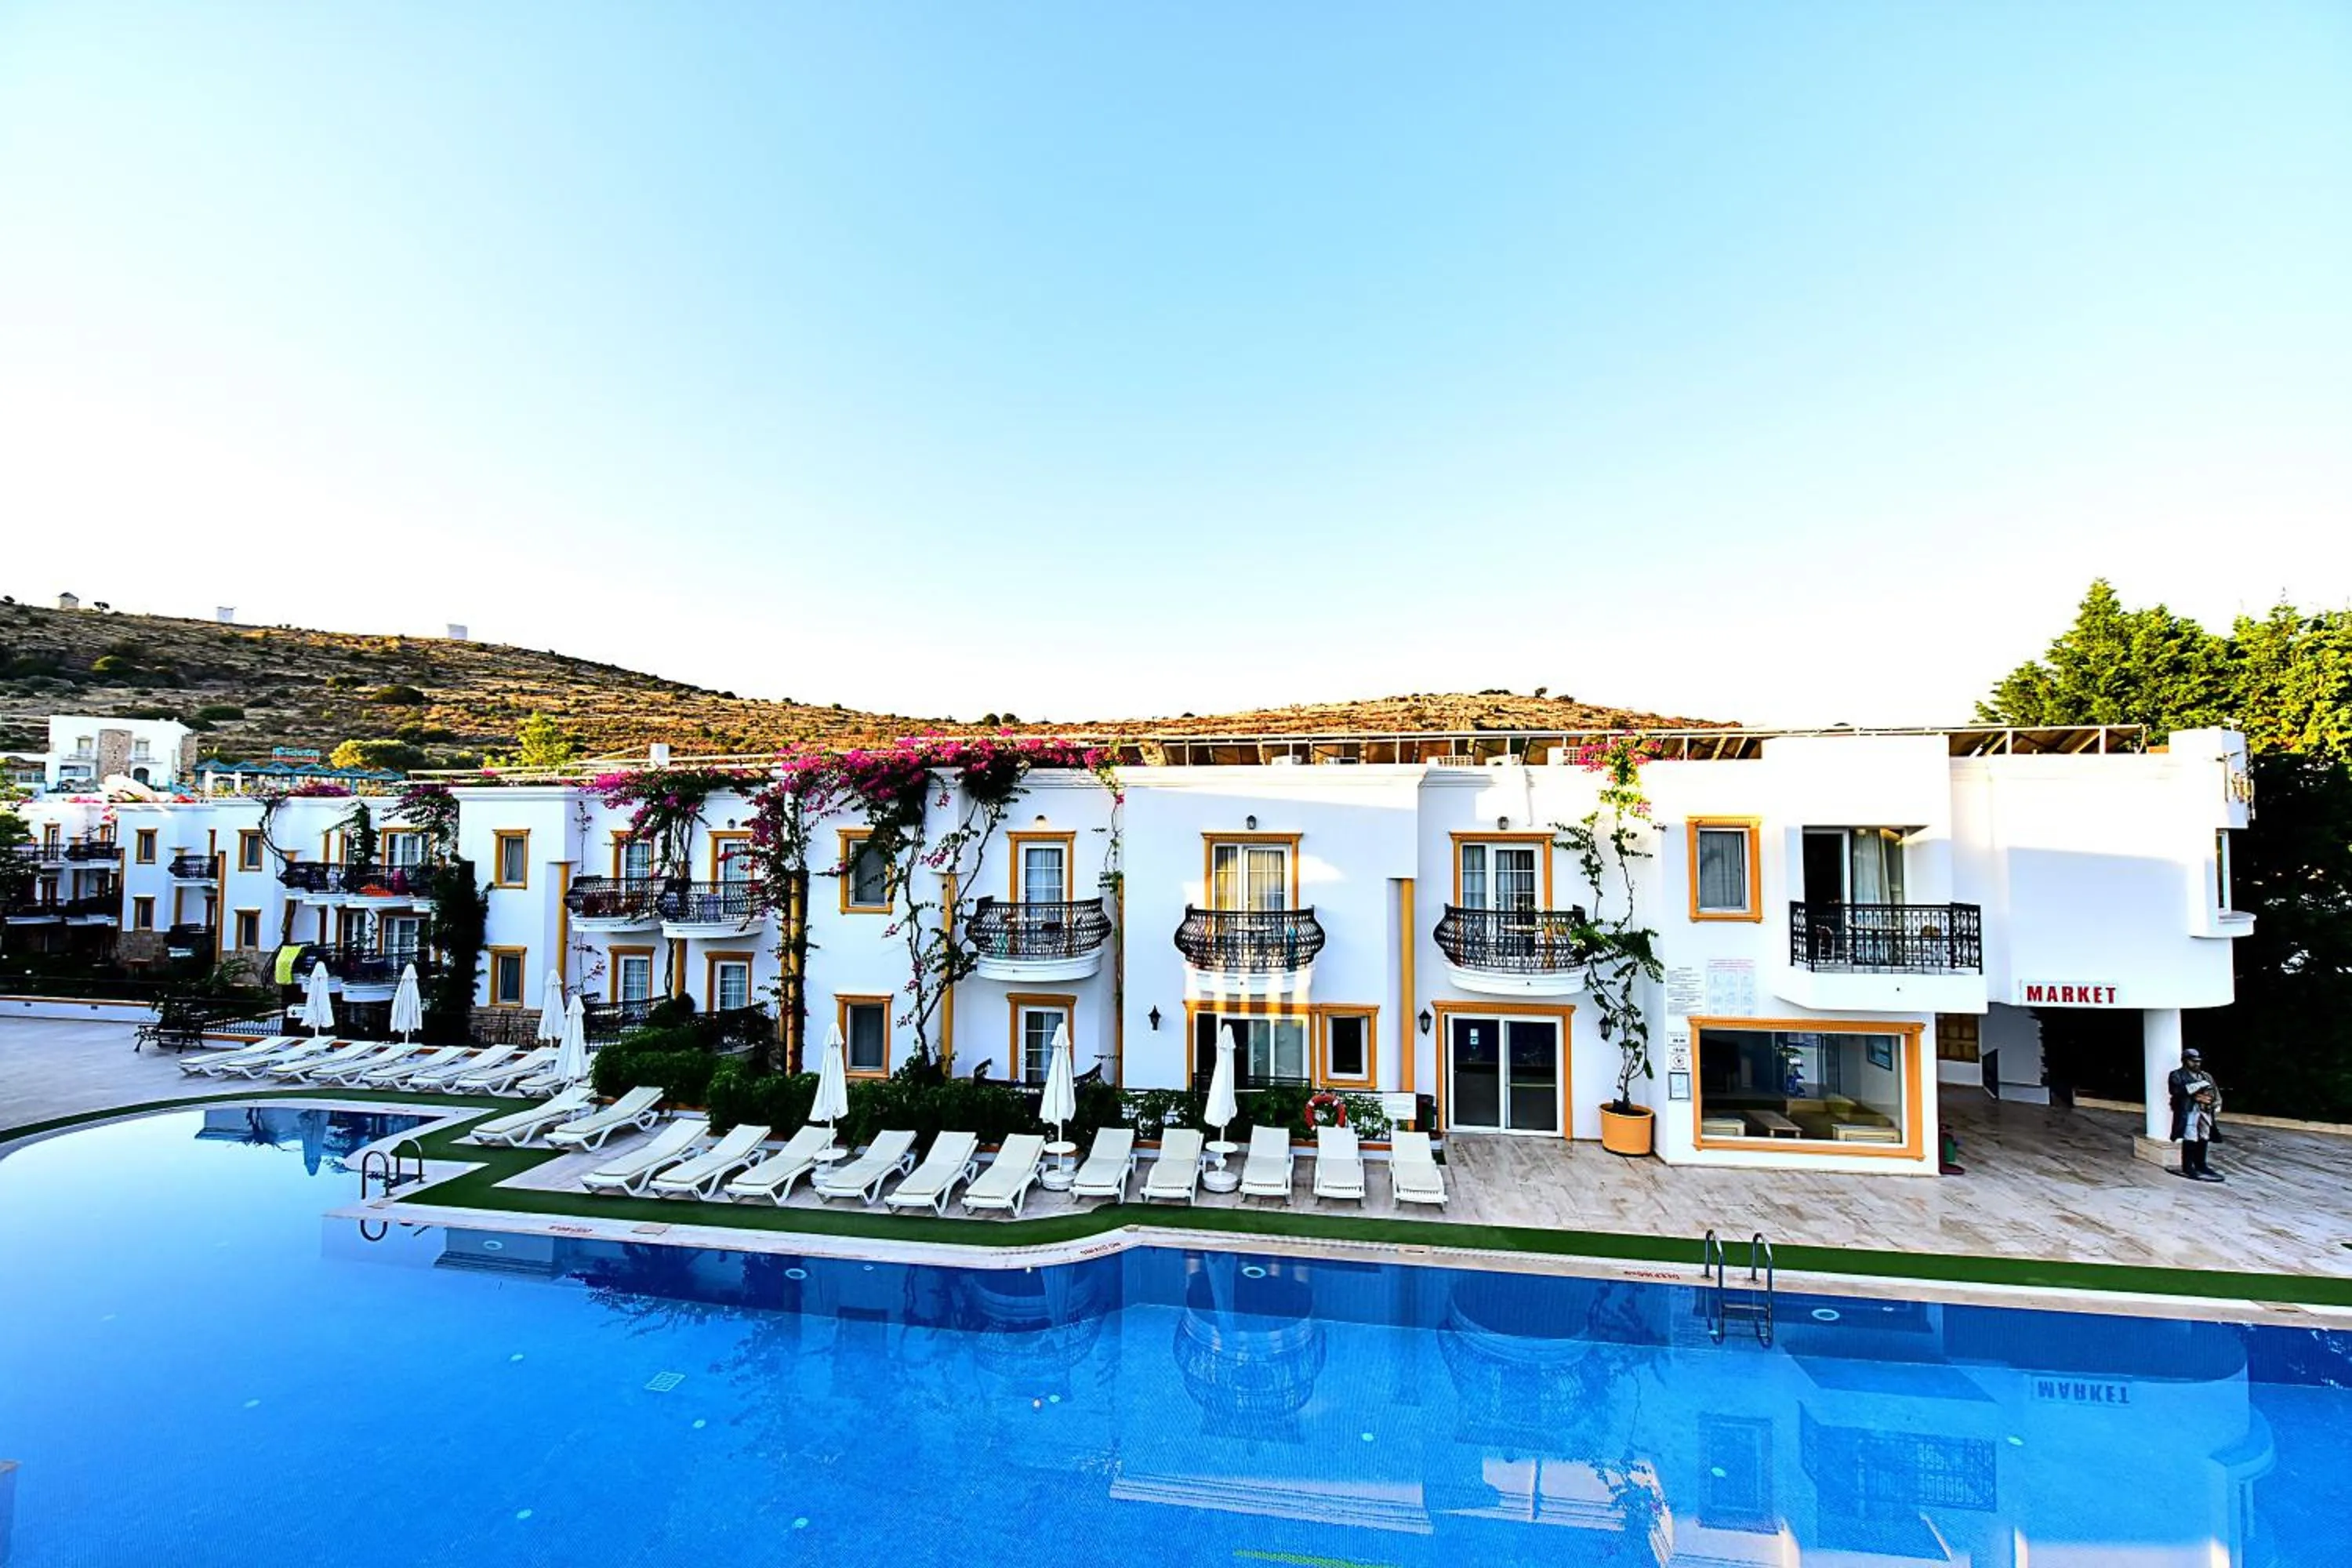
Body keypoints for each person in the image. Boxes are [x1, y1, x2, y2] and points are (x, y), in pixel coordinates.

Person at [2167, 1047, 2225, 1183]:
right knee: (2190, 1135)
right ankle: (2188, 1167)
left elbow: (2215, 1092)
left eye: (2198, 1061)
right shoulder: (2177, 1075)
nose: (2196, 1064)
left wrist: (2214, 1103)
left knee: (2204, 1134)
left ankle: (2201, 1165)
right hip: (2188, 1110)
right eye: (2193, 1061)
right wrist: (2197, 1091)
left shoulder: (2205, 1076)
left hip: (2205, 1110)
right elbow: (2176, 1091)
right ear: (2185, 1061)